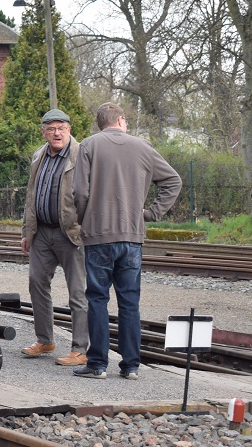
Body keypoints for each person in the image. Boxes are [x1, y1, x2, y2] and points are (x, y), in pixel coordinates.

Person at [72, 102, 182, 380]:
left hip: (98, 236)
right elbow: (173, 180)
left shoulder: (88, 146)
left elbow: (80, 192)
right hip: (132, 237)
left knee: (97, 299)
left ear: (100, 123)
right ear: (120, 120)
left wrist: (87, 219)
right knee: (129, 302)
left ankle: (97, 365)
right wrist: (151, 213)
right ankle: (131, 366)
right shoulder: (143, 146)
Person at [19, 108, 88, 367]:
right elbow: (30, 196)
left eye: (61, 127)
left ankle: (80, 349)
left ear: (69, 129)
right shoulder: (39, 155)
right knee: (36, 283)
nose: (57, 133)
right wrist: (27, 231)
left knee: (78, 292)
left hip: (71, 233)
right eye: (51, 129)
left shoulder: (82, 155)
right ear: (43, 132)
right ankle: (45, 339)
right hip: (42, 233)